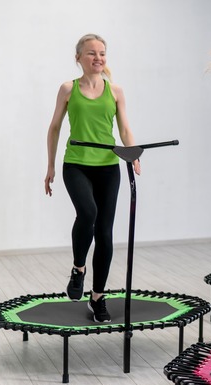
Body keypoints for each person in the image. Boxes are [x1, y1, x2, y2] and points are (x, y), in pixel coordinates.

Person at [44, 34, 140, 323]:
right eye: (91, 53)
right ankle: (78, 268)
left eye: (102, 53)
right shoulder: (67, 89)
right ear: (78, 58)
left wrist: (132, 153)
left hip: (108, 167)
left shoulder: (116, 91)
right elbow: (55, 128)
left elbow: (124, 129)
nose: (98, 58)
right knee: (88, 212)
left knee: (105, 233)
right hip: (76, 164)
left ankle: (97, 297)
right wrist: (50, 166)